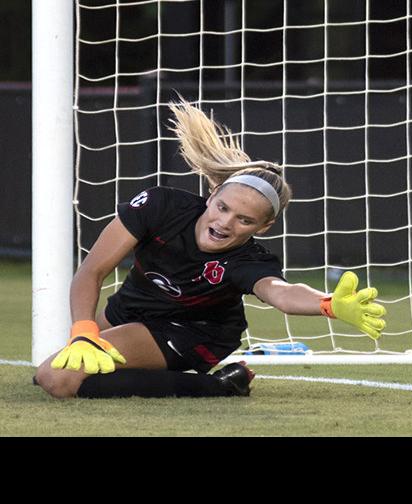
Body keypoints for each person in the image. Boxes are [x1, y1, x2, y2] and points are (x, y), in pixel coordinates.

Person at [34, 99, 386, 399]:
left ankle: (214, 387)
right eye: (223, 208)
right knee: (47, 373)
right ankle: (198, 381)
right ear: (213, 194)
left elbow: (281, 292)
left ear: (263, 227)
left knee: (58, 378)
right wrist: (83, 329)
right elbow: (92, 270)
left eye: (245, 221)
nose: (226, 223)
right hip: (131, 311)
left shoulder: (247, 260)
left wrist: (328, 304)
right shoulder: (161, 207)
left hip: (192, 332)